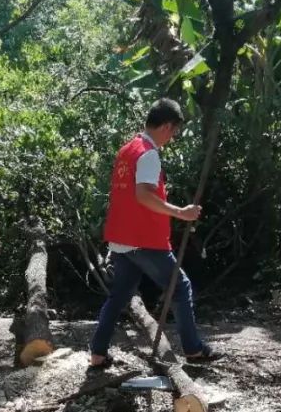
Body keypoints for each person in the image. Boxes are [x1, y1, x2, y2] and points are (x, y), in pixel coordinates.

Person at [89, 98, 221, 369]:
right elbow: (144, 196)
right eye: (173, 132)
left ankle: (98, 353)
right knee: (180, 287)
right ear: (166, 126)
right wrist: (180, 212)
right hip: (144, 239)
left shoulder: (127, 149)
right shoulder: (148, 153)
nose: (171, 139)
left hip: (122, 237)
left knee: (119, 296)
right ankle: (193, 349)